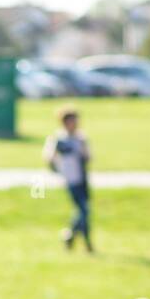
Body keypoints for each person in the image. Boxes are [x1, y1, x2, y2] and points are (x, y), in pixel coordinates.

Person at [43, 107, 93, 252]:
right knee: (83, 210)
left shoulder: (81, 138)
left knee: (84, 211)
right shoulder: (58, 139)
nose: (75, 124)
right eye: (72, 121)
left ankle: (72, 236)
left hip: (82, 178)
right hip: (69, 180)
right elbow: (48, 158)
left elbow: (88, 157)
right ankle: (83, 241)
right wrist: (58, 170)